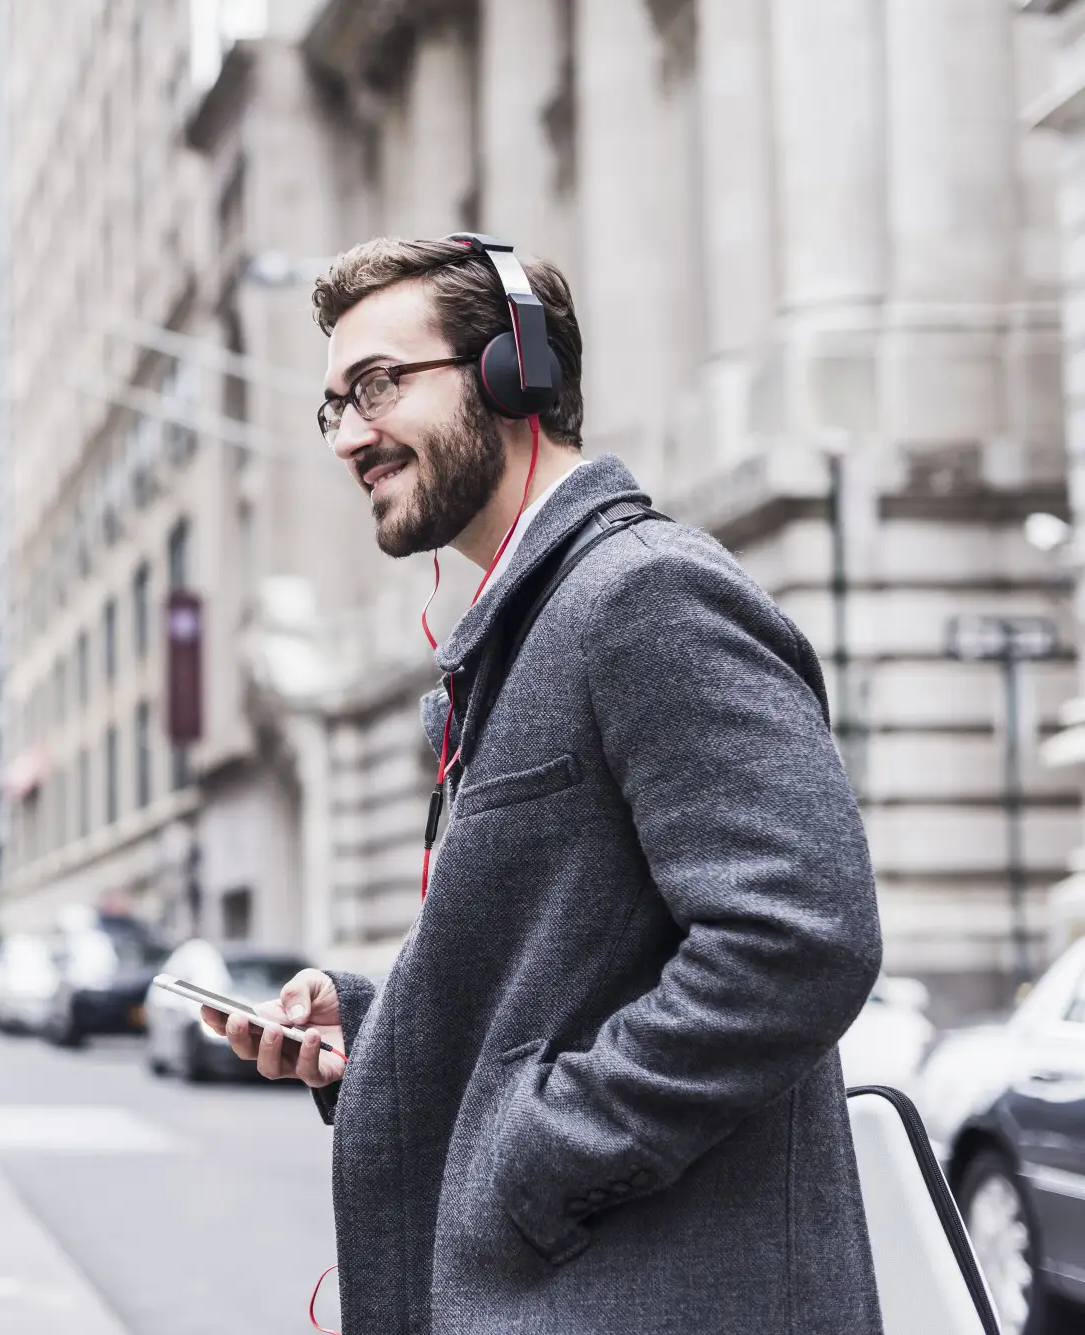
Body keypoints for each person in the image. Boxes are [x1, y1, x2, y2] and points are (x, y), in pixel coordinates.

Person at [204, 236, 884, 1334]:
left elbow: (797, 941)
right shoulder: (525, 633)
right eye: (329, 405)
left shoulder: (644, 596)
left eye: (376, 385)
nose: (348, 435)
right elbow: (570, 972)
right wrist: (374, 1030)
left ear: (514, 371)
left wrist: (531, 1153)